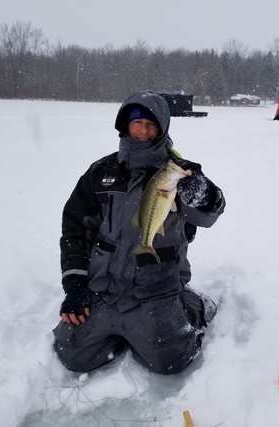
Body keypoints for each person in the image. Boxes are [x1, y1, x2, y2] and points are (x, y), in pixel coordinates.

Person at [53, 90, 225, 375]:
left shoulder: (181, 172)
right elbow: (74, 229)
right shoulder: (101, 171)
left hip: (158, 289)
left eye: (152, 123)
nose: (143, 129)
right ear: (125, 125)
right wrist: (75, 287)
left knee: (169, 360)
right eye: (136, 121)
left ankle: (191, 305)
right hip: (104, 289)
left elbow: (208, 214)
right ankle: (121, 328)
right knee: (72, 354)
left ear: (162, 128)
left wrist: (204, 195)